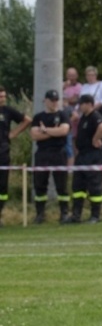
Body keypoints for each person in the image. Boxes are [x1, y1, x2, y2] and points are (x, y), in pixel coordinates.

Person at [30, 90, 72, 224]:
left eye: (56, 100)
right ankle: (40, 214)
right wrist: (54, 132)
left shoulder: (63, 115)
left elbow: (64, 131)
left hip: (58, 152)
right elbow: (34, 135)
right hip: (42, 153)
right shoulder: (38, 117)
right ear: (45, 100)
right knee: (40, 184)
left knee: (62, 185)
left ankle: (64, 214)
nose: (54, 103)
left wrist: (45, 130)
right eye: (51, 100)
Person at [66, 94, 102, 224]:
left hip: (92, 155)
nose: (79, 106)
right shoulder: (83, 117)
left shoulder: (95, 116)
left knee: (94, 185)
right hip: (82, 155)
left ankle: (95, 215)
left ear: (89, 104)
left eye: (82, 104)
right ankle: (76, 215)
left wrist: (95, 139)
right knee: (78, 186)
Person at [0, 86, 32, 226]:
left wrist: (14, 133)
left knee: (2, 187)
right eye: (0, 96)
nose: (3, 99)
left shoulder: (8, 111)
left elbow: (27, 120)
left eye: (4, 96)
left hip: (3, 152)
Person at [63, 67, 82, 165]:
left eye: (73, 75)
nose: (71, 77)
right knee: (68, 143)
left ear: (77, 76)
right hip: (66, 115)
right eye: (69, 75)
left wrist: (65, 100)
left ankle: (76, 164)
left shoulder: (79, 86)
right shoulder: (63, 85)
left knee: (76, 142)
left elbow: (76, 99)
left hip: (75, 116)